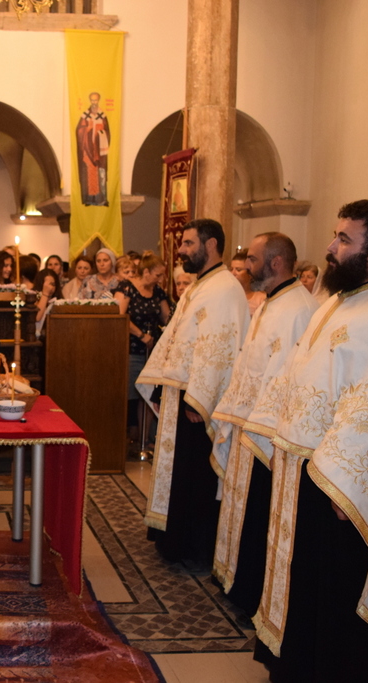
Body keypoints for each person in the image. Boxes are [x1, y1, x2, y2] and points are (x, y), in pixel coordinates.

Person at [252, 199, 368, 682]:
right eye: (336, 236)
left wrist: (345, 486)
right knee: (309, 584)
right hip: (310, 469)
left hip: (344, 488)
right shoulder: (342, 300)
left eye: (344, 239)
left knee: (338, 591)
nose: (331, 247)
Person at [208, 232, 317, 620]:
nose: (246, 267)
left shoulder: (298, 309)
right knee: (246, 509)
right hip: (248, 425)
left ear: (275, 263)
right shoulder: (272, 302)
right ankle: (238, 581)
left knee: (259, 515)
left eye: (252, 260)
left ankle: (253, 592)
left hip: (268, 435)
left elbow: (289, 378)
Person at [136, 218, 249, 569]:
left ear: (210, 244)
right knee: (180, 471)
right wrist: (161, 386)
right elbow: (179, 340)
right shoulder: (202, 285)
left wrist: (199, 399)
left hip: (199, 401)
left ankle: (193, 548)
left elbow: (218, 351)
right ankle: (174, 539)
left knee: (196, 475)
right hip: (182, 395)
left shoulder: (223, 289)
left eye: (188, 243)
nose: (181, 250)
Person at [113, 251, 171, 444]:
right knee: (127, 394)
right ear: (146, 272)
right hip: (130, 349)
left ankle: (144, 440)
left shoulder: (158, 292)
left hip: (151, 351)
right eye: (158, 275)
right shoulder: (127, 287)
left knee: (146, 395)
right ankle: (121, 439)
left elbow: (167, 317)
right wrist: (140, 334)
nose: (160, 279)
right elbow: (120, 316)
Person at [76, 91, 111, 206]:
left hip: (99, 149)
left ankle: (101, 198)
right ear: (90, 101)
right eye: (92, 100)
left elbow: (107, 131)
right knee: (89, 172)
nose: (94, 102)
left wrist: (101, 132)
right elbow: (79, 131)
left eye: (96, 100)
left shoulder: (102, 115)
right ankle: (89, 198)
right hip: (88, 149)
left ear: (98, 100)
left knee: (100, 172)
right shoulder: (85, 115)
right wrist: (88, 128)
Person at [230, 249, 266, 315]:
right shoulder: (227, 296)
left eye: (238, 270)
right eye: (231, 269)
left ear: (250, 274)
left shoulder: (261, 299)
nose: (233, 273)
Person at [33, 267, 63, 338]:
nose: (50, 288)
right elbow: (37, 317)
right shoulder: (33, 298)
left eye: (53, 284)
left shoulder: (59, 301)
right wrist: (45, 294)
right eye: (47, 285)